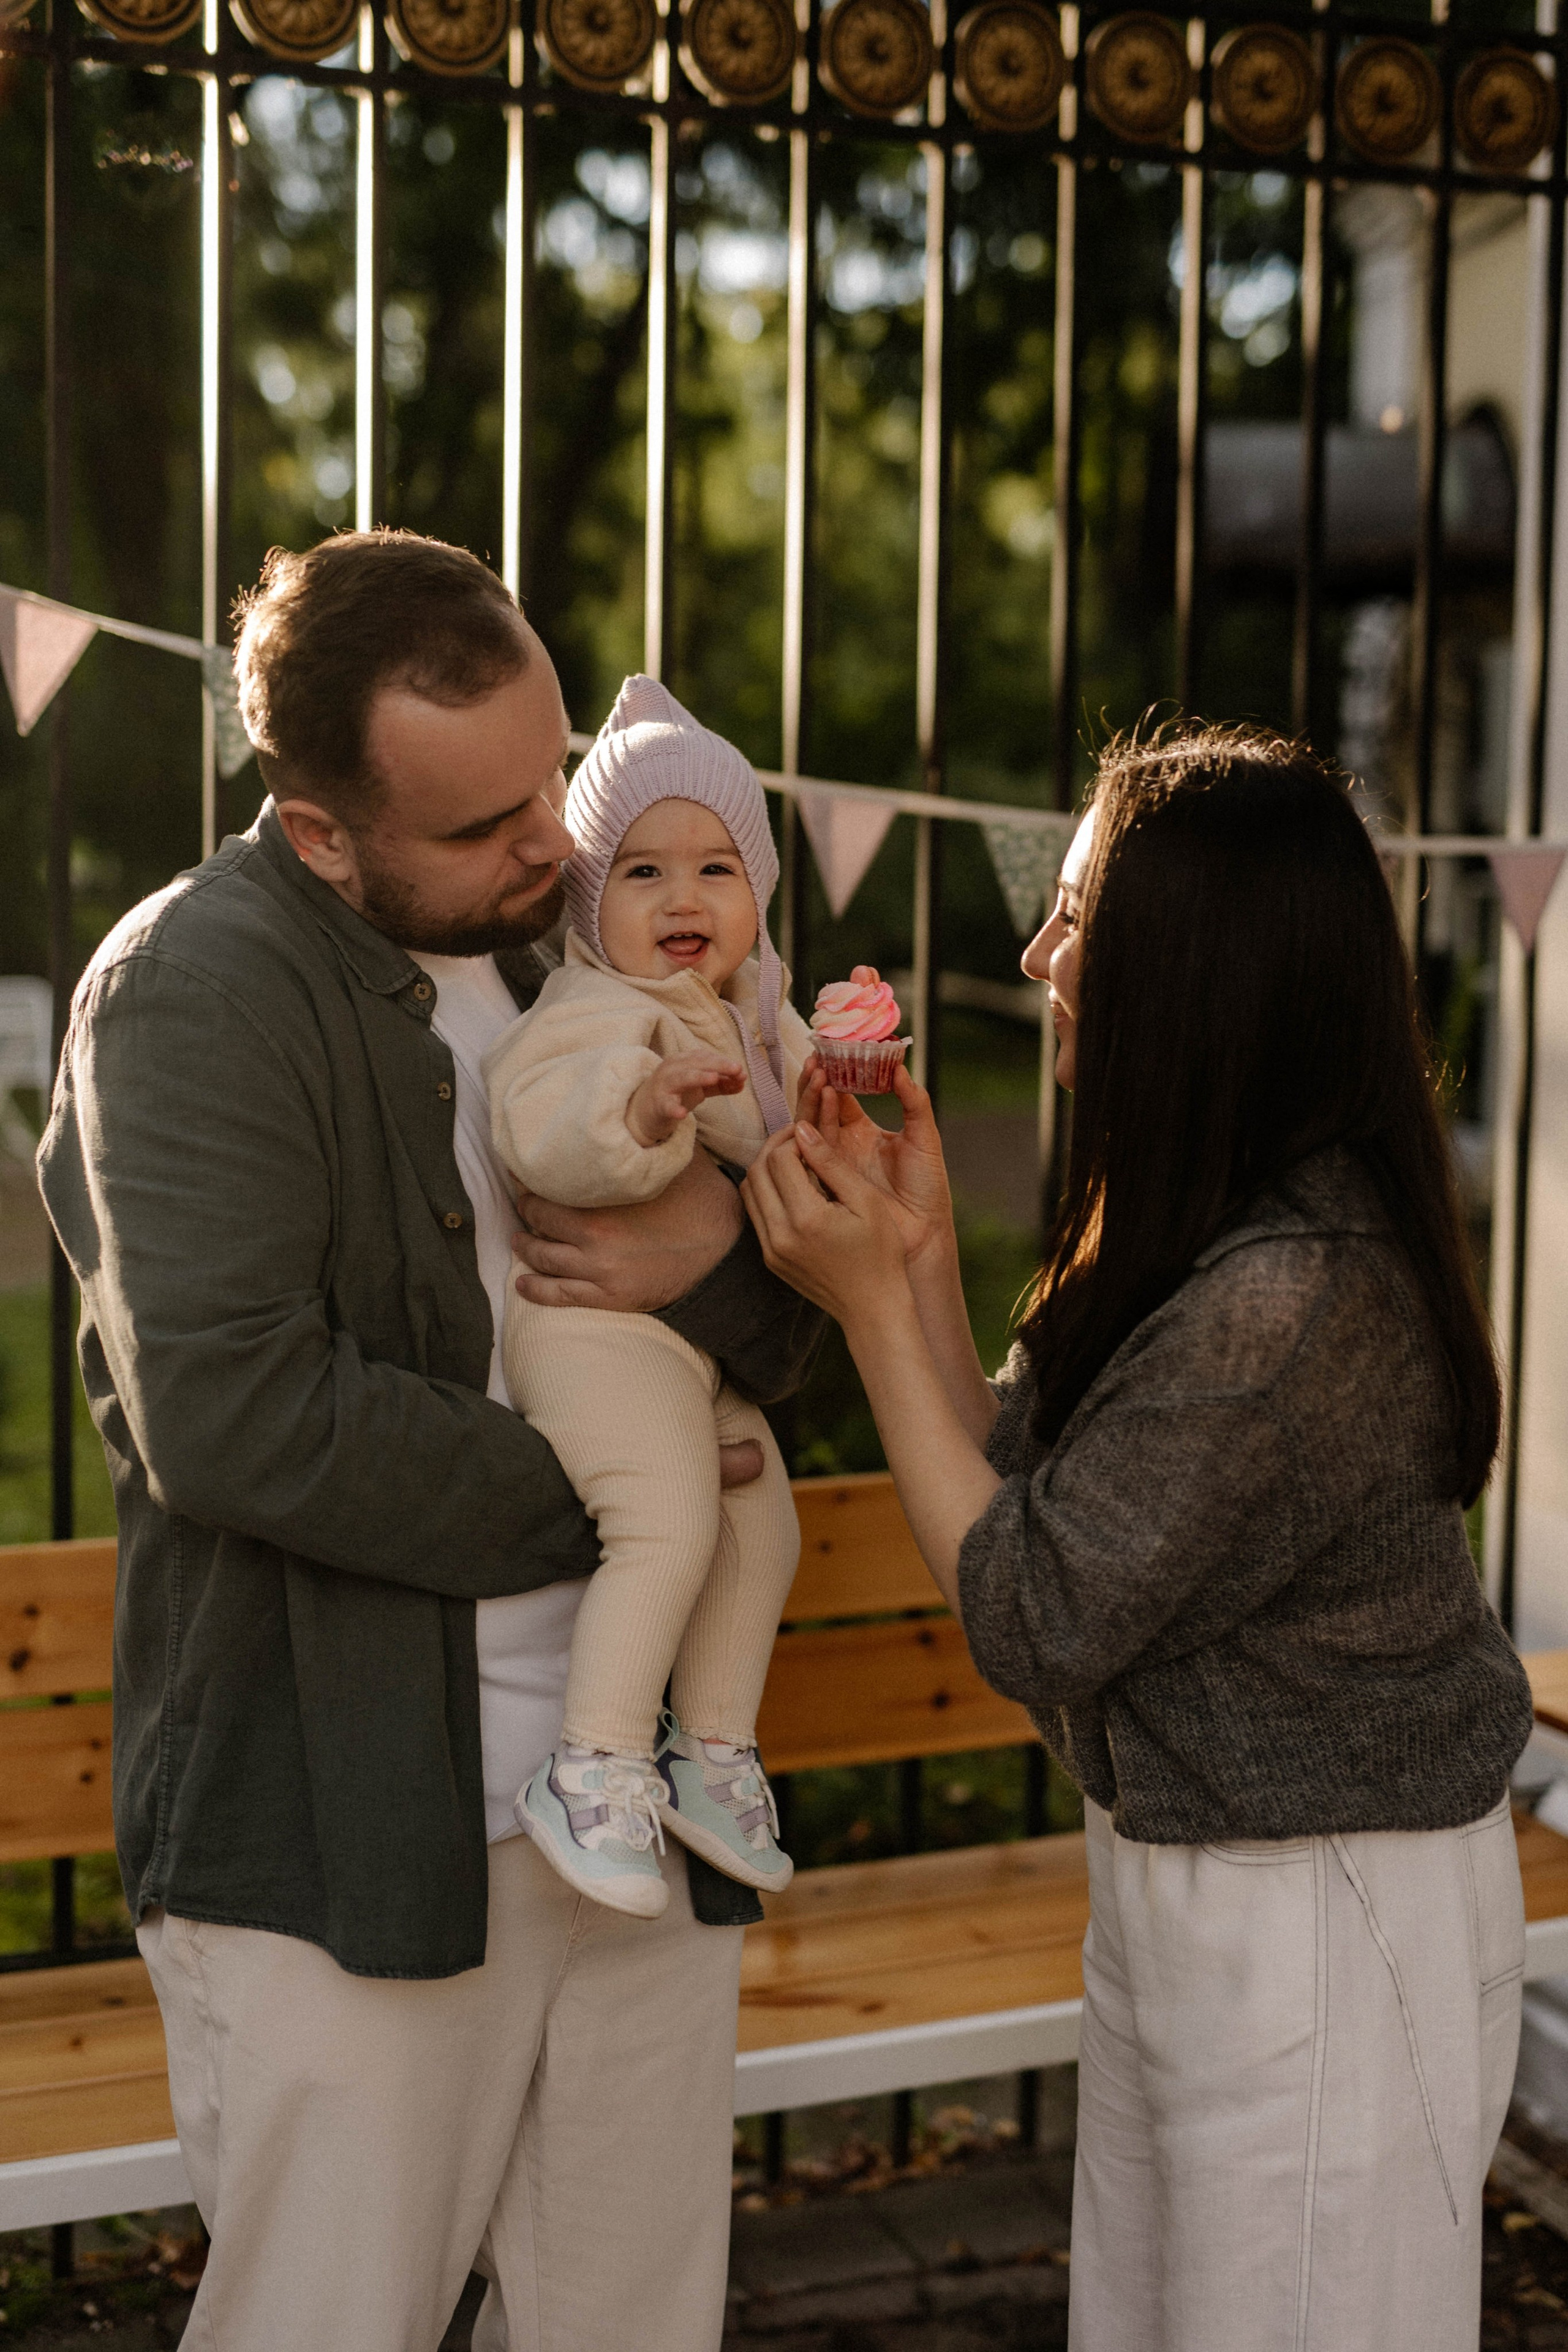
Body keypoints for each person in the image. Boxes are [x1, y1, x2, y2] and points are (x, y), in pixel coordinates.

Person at [37, 531, 821, 2352]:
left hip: (638, 1819)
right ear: (324, 835)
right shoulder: (194, 991)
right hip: (355, 1832)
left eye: (553, 778)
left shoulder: (589, 944)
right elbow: (237, 1416)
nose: (555, 843)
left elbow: (789, 1326)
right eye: (484, 826)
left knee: (631, 2325)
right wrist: (622, 1505)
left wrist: (715, 1266)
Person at [741, 723, 1535, 2352]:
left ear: (1201, 967)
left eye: (1079, 914)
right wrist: (917, 1259)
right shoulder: (1219, 1223)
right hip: (1197, 1886)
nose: (1039, 955)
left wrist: (869, 1313)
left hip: (1317, 1922)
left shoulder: (1288, 1297)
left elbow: (1035, 1609)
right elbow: (1030, 1489)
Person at [487, 675, 812, 1917]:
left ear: (757, 892)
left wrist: (842, 1087)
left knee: (762, 1525)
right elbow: (545, 1131)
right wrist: (638, 1113)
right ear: (589, 900)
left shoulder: (753, 1014)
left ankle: (709, 1752)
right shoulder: (595, 1009)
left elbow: (792, 1143)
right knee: (669, 1520)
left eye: (716, 869)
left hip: (689, 1343)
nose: (683, 899)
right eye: (642, 873)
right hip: (587, 1330)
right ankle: (591, 1765)